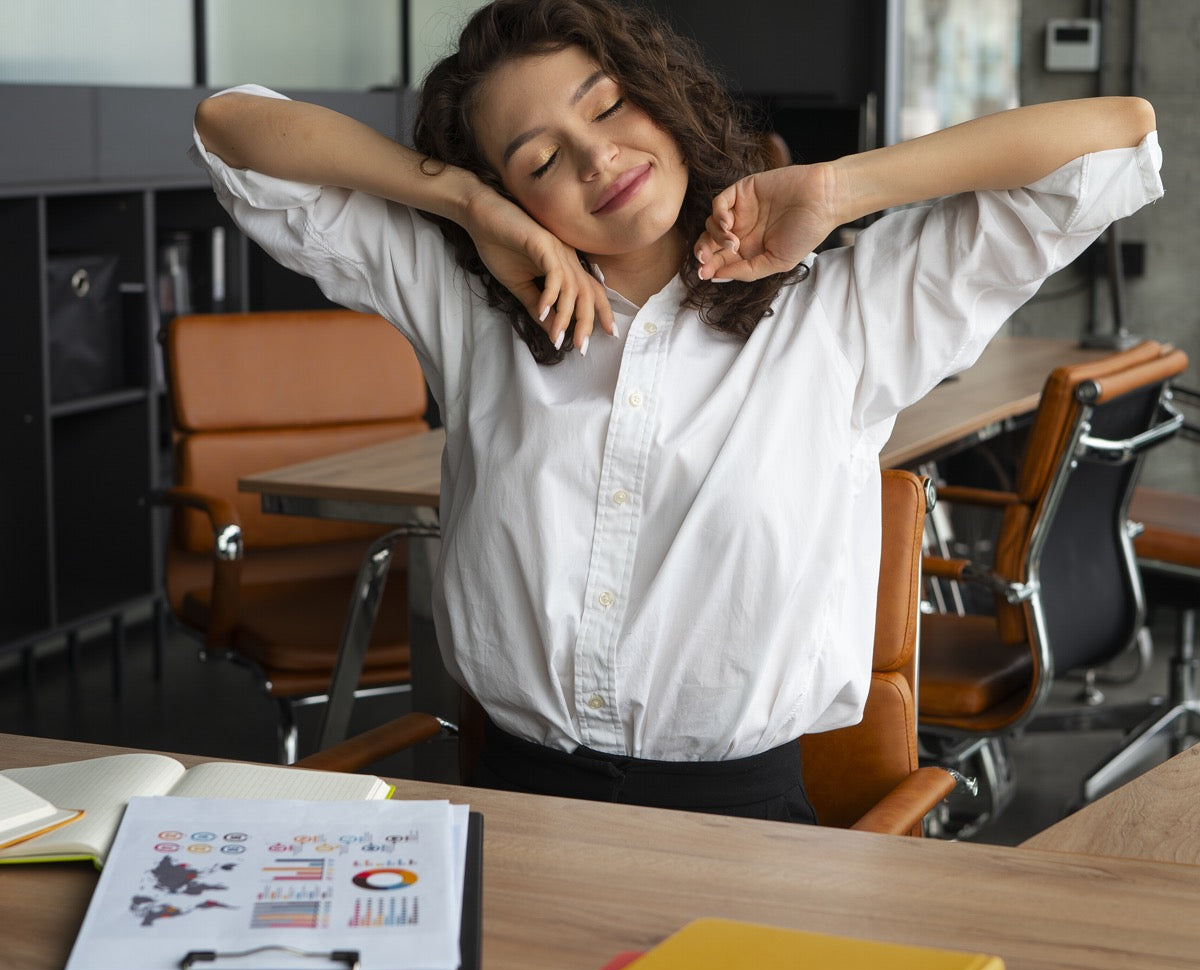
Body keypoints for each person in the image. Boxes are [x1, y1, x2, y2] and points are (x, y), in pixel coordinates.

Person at [191, 0, 1161, 822]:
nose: (596, 156)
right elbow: (232, 126)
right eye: (539, 160)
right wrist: (464, 208)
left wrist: (839, 186)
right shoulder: (471, 309)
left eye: (608, 105)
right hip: (519, 807)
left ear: (660, 92)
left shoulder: (842, 313)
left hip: (745, 823)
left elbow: (1117, 131)